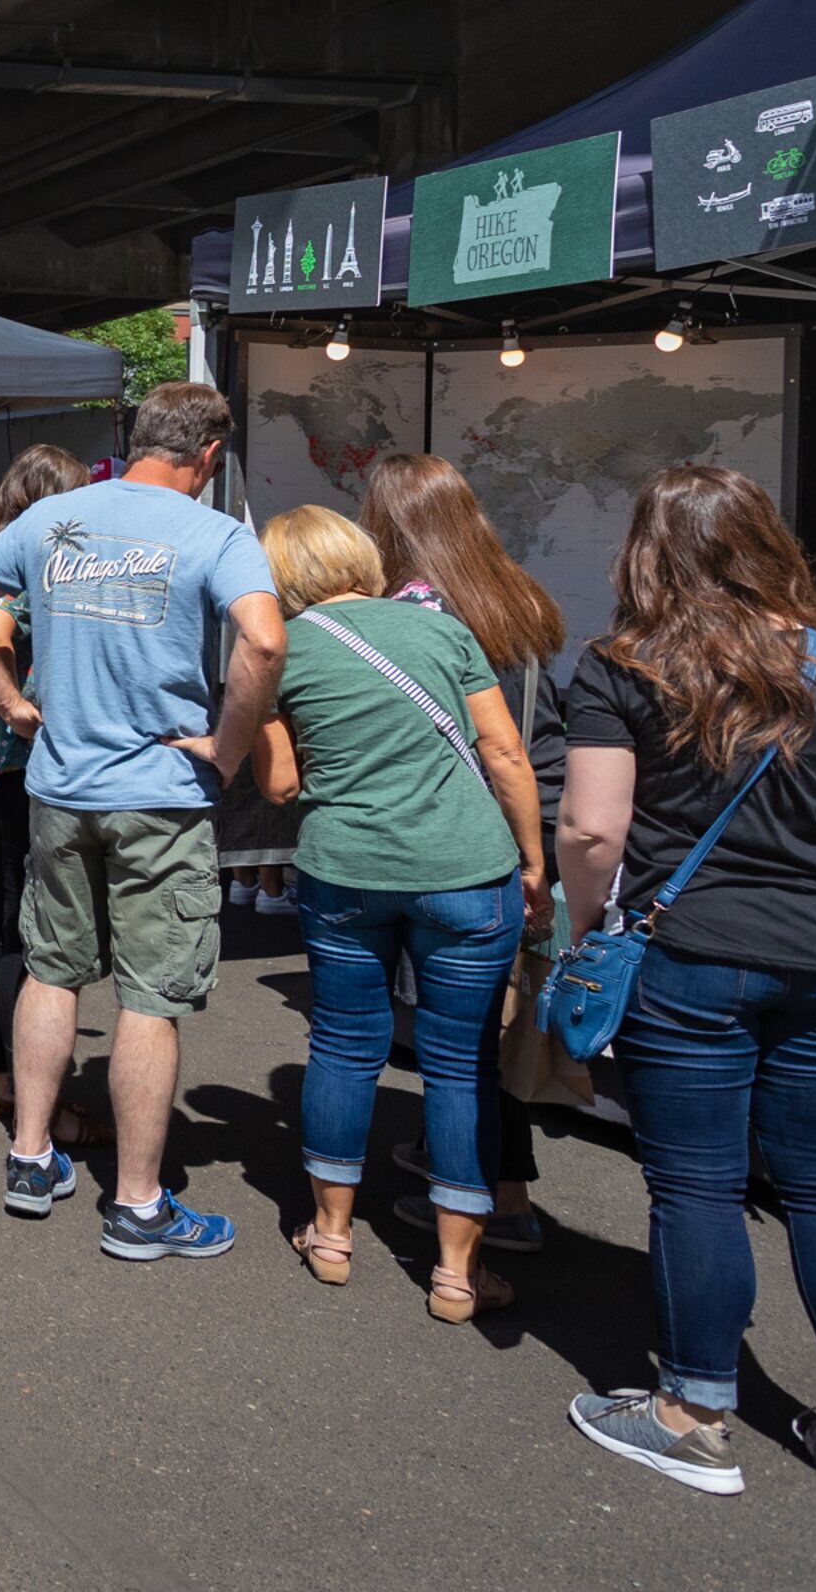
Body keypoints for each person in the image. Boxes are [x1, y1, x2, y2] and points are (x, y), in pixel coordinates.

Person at [556, 465, 816, 1519]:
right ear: (771, 545)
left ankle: (692, 1417)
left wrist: (591, 932)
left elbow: (592, 830)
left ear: (648, 553)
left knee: (699, 1187)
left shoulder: (621, 669)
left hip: (692, 962)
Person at [0, 382, 282, 1261]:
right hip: (160, 793)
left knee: (53, 971)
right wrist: (229, 749)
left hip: (60, 785)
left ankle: (30, 1157)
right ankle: (136, 1205)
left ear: (137, 441)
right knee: (150, 996)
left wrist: (12, 705)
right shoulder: (216, 532)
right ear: (206, 457)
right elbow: (267, 641)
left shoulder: (59, 518)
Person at [247, 505, 544, 1322]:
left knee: (343, 1047)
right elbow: (506, 755)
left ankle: (332, 1237)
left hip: (346, 870)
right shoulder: (442, 633)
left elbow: (279, 788)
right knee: (460, 1066)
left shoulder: (279, 651)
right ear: (359, 558)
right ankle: (457, 1274)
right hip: (467, 867)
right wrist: (534, 862)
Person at [360, 452, 573, 1255]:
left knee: (466, 1028)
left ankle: (498, 1199)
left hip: (464, 829)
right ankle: (476, 1169)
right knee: (498, 1015)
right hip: (531, 819)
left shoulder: (412, 607)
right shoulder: (513, 593)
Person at [0, 445, 91, 1124]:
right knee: (23, 928)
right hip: (21, 762)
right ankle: (11, 1076)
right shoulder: (27, 565)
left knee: (0, 916)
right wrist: (17, 701)